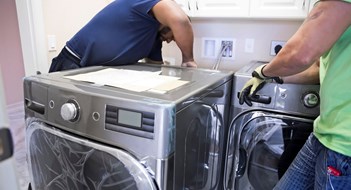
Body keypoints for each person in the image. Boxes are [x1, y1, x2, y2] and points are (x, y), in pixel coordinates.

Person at [239, 0, 351, 189]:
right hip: (324, 133)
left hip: (344, 146)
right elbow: (317, 66)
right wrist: (273, 78)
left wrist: (264, 71)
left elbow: (300, 53)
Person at [48, 0, 197, 73]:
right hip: (72, 63)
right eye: (174, 36)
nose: (170, 40)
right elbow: (181, 21)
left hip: (97, 73)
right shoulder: (145, 3)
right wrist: (188, 60)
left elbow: (156, 68)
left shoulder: (152, 39)